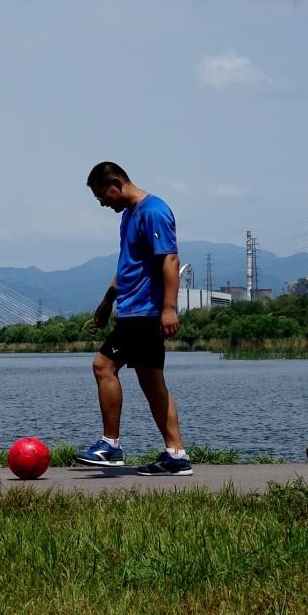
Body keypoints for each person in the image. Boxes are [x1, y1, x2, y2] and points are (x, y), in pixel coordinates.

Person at [74, 161, 192, 476]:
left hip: (144, 312)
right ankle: (176, 455)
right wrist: (107, 301)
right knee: (152, 383)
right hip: (132, 308)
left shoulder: (153, 210)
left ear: (115, 182)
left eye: (102, 195)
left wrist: (169, 308)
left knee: (103, 365)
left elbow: (170, 258)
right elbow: (130, 265)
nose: (102, 203)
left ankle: (110, 445)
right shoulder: (129, 215)